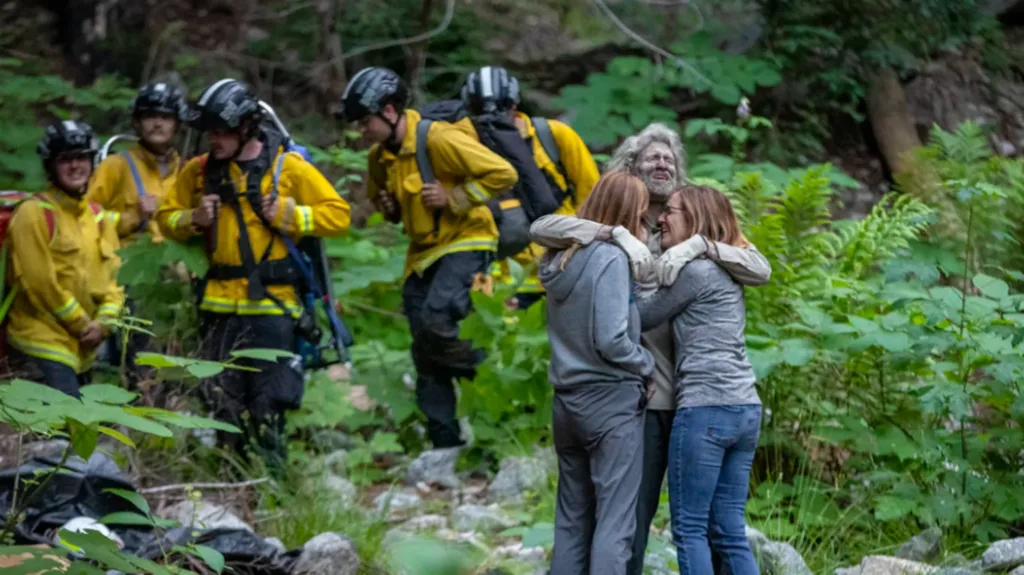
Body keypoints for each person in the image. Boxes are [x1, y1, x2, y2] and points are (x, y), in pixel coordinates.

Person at [528, 122, 771, 575]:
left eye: (670, 159)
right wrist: (615, 234)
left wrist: (700, 246)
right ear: (630, 169)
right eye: (651, 158)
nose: (662, 164)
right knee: (631, 519)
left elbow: (759, 267)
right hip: (643, 396)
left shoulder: (691, 230)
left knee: (699, 524)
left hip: (697, 398)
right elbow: (542, 226)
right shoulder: (616, 227)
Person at [156, 79, 351, 467]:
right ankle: (231, 480)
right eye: (209, 132)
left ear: (246, 126)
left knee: (269, 401)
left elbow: (339, 214)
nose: (214, 139)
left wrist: (294, 215)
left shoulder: (287, 166)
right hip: (217, 305)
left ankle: (273, 483)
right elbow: (165, 218)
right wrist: (192, 219)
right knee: (221, 400)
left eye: (222, 130)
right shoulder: (197, 172)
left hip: (272, 305)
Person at [340, 67, 518, 449]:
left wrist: (454, 197)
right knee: (423, 347)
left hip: (467, 239)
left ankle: (488, 374)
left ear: (389, 111)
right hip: (421, 254)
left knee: (439, 320)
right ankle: (445, 444)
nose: (362, 132)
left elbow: (503, 173)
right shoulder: (378, 158)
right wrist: (387, 207)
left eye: (366, 122)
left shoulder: (438, 138)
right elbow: (382, 203)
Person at [636, 185, 761, 574]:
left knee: (689, 529)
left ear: (696, 218)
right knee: (728, 532)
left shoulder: (695, 270)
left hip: (705, 409)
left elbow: (642, 316)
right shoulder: (727, 266)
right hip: (745, 407)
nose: (661, 218)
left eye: (671, 211)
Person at [540, 171, 655, 575]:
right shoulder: (610, 259)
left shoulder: (559, 259)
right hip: (610, 403)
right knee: (615, 522)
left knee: (571, 520)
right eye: (642, 216)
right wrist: (647, 363)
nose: (645, 226)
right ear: (629, 215)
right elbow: (611, 339)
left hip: (566, 403)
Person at [460, 66, 599, 309]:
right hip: (498, 282)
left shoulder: (553, 136)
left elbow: (594, 197)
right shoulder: (463, 148)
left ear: (515, 105)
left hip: (560, 272)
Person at [5, 121, 124, 397]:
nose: (75, 166)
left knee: (83, 432)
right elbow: (39, 283)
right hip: (40, 340)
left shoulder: (99, 217)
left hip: (84, 347)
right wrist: (82, 324)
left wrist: (105, 322)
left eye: (81, 157)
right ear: (51, 166)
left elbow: (116, 280)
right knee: (61, 433)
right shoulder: (33, 214)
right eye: (65, 160)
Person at [88, 82, 189, 388]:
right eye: (149, 116)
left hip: (177, 276)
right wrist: (132, 217)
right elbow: (85, 218)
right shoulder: (116, 167)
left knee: (180, 349)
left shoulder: (185, 172)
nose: (157, 122)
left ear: (177, 123)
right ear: (137, 122)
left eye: (165, 116)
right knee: (140, 355)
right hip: (132, 272)